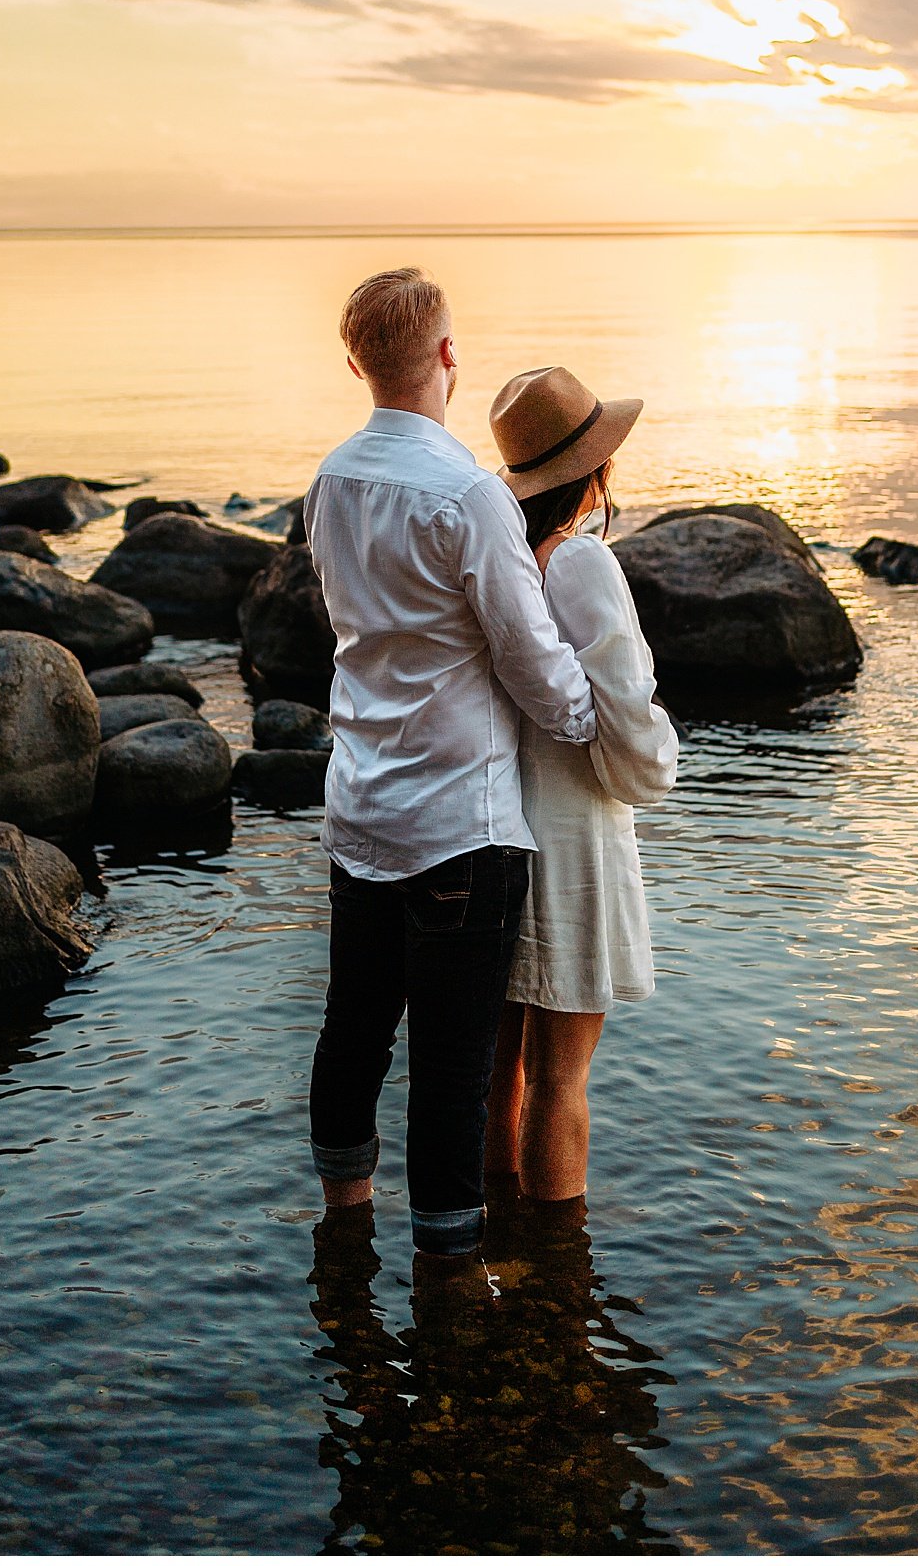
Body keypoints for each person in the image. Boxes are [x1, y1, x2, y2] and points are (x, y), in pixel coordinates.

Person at [303, 269, 600, 1268]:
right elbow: (533, 661)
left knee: (353, 1032)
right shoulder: (471, 494)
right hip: (460, 827)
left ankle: (344, 1227)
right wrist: (591, 718)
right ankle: (446, 1286)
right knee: (454, 1068)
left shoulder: (330, 481)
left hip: (360, 807)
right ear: (446, 357)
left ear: (356, 364)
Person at [482, 366, 678, 1204]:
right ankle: (557, 1283)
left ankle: (494, 1241)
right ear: (594, 473)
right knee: (563, 1082)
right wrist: (657, 763)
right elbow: (627, 712)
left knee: (501, 1074)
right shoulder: (584, 563)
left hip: (496, 827)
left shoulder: (500, 561)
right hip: (574, 838)